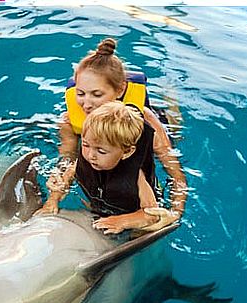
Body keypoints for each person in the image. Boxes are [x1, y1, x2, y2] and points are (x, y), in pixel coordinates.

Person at [41, 37, 187, 231]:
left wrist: (175, 213)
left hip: (149, 124)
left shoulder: (145, 123)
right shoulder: (70, 120)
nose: (86, 104)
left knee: (175, 132)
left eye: (97, 94)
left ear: (120, 90)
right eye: (81, 93)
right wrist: (57, 184)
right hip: (107, 162)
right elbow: (68, 160)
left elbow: (176, 176)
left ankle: (171, 100)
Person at [38, 101, 159, 233]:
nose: (90, 156)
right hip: (100, 205)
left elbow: (152, 215)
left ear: (126, 152)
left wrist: (121, 221)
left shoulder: (137, 177)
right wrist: (53, 199)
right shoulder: (86, 158)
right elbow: (71, 172)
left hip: (126, 212)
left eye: (101, 151)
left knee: (141, 234)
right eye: (85, 145)